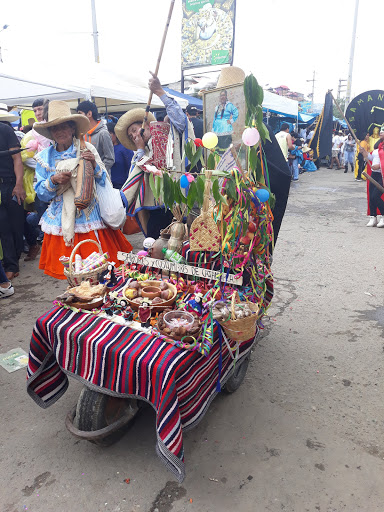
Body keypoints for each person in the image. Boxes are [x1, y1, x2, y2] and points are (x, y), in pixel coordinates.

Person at [33, 101, 132, 280]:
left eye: (64, 126)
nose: (60, 131)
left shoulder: (88, 149)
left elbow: (103, 182)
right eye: (55, 128)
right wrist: (53, 180)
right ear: (51, 132)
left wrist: (94, 165)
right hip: (62, 222)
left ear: (72, 128)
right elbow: (41, 193)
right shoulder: (44, 158)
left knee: (100, 271)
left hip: (90, 218)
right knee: (72, 274)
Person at [116, 73, 190, 238]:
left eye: (135, 130)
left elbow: (180, 120)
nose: (135, 136)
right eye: (131, 136)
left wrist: (159, 92)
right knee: (154, 245)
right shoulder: (140, 152)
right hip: (153, 207)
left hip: (175, 203)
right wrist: (141, 149)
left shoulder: (167, 136)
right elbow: (135, 176)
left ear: (147, 125)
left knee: (177, 244)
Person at [0, 105, 26, 281]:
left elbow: (17, 158)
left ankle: (29, 244)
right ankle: (11, 264)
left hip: (10, 185)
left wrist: (19, 184)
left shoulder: (5, 130)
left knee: (17, 225)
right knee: (3, 227)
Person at [76, 101, 115, 173]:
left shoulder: (103, 133)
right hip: (85, 178)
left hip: (100, 180)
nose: (78, 117)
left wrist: (97, 171)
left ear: (89, 114)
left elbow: (110, 159)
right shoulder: (82, 134)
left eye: (80, 113)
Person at [360, 126, 384, 227]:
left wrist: (379, 166)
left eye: (383, 132)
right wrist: (363, 152)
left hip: (382, 175)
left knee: (375, 195)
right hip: (373, 174)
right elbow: (370, 157)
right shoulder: (377, 148)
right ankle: (373, 217)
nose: (381, 133)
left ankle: (383, 215)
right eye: (381, 132)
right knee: (371, 196)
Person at [107, 123, 133, 189]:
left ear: (115, 134)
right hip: (109, 186)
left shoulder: (124, 148)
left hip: (122, 186)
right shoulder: (106, 150)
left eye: (109, 133)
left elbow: (131, 166)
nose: (107, 136)